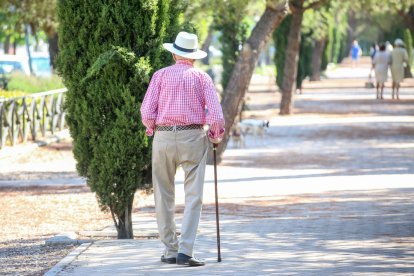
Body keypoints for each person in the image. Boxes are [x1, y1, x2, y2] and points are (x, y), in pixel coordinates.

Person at [140, 31, 225, 267]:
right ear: (194, 56)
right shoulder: (202, 78)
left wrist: (152, 129)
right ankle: (185, 252)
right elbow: (216, 116)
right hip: (193, 137)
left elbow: (147, 112)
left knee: (163, 194)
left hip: (164, 138)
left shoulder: (160, 75)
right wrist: (215, 136)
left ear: (175, 53)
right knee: (194, 195)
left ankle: (169, 249)